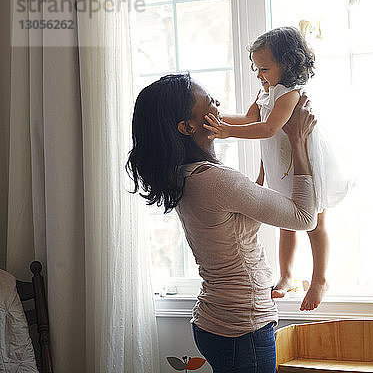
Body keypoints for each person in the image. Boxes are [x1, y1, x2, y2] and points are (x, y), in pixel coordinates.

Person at [126, 73, 317, 373]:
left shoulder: (186, 175)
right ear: (187, 127)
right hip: (242, 328)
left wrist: (268, 165)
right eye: (210, 101)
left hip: (215, 323)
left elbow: (238, 219)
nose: (218, 104)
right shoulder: (216, 181)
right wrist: (298, 140)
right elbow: (304, 217)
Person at [203, 26, 354, 311]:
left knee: (315, 223)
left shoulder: (288, 94)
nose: (259, 75)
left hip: (304, 165)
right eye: (256, 68)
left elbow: (270, 128)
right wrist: (214, 117)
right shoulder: (267, 91)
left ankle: (320, 278)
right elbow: (249, 118)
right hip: (279, 167)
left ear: (286, 66)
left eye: (264, 68)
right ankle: (286, 275)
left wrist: (226, 133)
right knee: (287, 221)